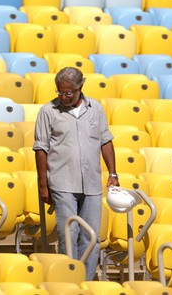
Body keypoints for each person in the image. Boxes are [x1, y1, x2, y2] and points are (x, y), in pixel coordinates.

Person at [33, 67, 119, 281]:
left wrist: (113, 173)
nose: (64, 97)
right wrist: (43, 185)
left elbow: (105, 141)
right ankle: (68, 280)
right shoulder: (48, 111)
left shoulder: (96, 109)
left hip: (91, 183)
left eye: (69, 92)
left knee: (91, 236)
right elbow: (40, 149)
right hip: (62, 182)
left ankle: (86, 281)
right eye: (60, 92)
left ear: (81, 87)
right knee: (68, 234)